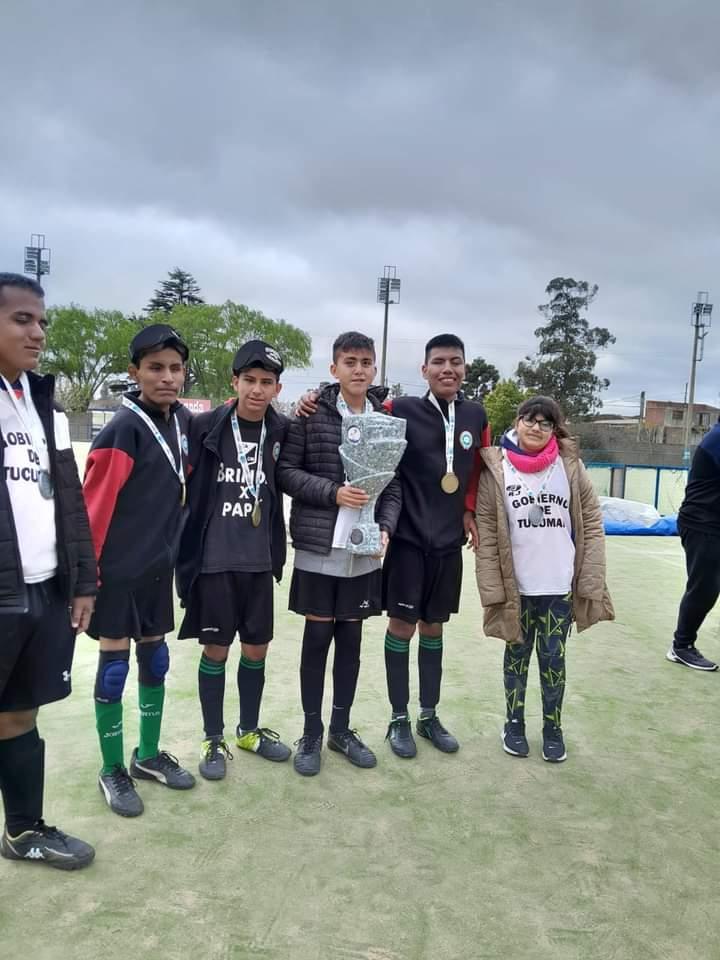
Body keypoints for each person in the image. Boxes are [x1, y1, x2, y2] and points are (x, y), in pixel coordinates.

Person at [297, 333, 488, 759]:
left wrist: (470, 510)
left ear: (464, 369)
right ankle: (398, 718)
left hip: (447, 545)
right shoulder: (397, 410)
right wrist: (311, 397)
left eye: (455, 362)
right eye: (438, 362)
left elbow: (478, 470)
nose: (447, 369)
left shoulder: (476, 415)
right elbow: (350, 409)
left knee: (434, 628)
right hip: (403, 540)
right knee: (400, 626)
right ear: (424, 370)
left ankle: (428, 715)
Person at [0, 273, 96, 870]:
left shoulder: (42, 401)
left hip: (41, 587)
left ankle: (24, 830)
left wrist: (81, 580)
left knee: (19, 711)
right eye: (21, 320)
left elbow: (70, 499)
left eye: (40, 321)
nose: (37, 333)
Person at [83, 323, 195, 817]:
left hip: (157, 571)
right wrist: (88, 578)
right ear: (135, 372)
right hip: (117, 574)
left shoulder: (181, 423)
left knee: (155, 663)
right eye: (155, 368)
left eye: (175, 368)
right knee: (113, 671)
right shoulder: (121, 430)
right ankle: (112, 769)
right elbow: (93, 512)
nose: (167, 377)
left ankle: (146, 756)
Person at [277, 331, 401, 776]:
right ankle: (311, 732)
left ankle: (341, 729)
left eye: (366, 362)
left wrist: (385, 526)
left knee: (351, 638)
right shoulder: (310, 415)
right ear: (334, 369)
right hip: (318, 545)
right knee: (317, 638)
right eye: (350, 362)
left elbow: (393, 484)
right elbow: (287, 473)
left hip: (364, 549)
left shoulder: (386, 418)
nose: (359, 369)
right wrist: (333, 493)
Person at [474, 396, 614, 762]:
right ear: (517, 423)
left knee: (554, 660)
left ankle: (553, 728)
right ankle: (514, 724)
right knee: (516, 657)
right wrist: (492, 587)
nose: (536, 428)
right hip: (516, 587)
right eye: (529, 420)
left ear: (555, 429)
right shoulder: (497, 468)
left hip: (557, 586)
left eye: (545, 423)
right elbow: (487, 532)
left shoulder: (570, 467)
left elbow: (593, 525)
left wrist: (591, 577)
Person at [176, 340, 291, 780]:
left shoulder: (280, 432)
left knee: (257, 648)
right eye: (249, 381)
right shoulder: (204, 426)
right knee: (216, 649)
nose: (257, 390)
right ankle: (212, 736)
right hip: (215, 560)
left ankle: (248, 729)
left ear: (278, 387)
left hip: (259, 561)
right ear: (234, 382)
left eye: (266, 382)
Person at [667, 420, 720, 671]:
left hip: (711, 522)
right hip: (703, 524)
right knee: (705, 588)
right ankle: (681, 646)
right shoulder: (717, 439)